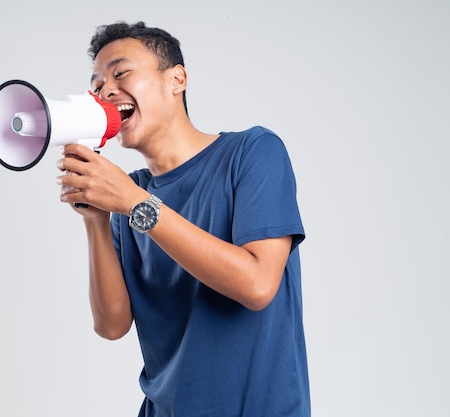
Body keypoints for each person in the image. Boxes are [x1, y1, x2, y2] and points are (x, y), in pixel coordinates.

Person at [56, 21, 310, 417]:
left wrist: (134, 202)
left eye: (120, 73)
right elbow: (112, 325)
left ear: (176, 79)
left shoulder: (252, 152)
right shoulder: (129, 195)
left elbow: (258, 285)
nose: (105, 90)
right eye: (98, 84)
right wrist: (96, 220)